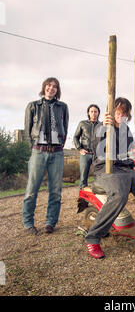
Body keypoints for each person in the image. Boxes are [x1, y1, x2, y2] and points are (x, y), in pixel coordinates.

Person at [85, 97, 135, 259]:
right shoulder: (101, 127)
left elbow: (129, 151)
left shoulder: (125, 129)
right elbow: (95, 147)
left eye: (125, 113)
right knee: (120, 194)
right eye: (119, 111)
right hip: (105, 170)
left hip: (124, 168)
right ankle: (93, 237)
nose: (121, 115)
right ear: (113, 110)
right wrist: (104, 127)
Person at [22, 77, 69, 235]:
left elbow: (65, 128)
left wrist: (60, 145)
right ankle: (28, 223)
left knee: (55, 191)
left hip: (57, 153)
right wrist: (34, 148)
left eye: (55, 86)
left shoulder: (63, 107)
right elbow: (27, 130)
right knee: (31, 189)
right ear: (44, 87)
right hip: (38, 151)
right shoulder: (33, 106)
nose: (51, 88)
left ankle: (50, 222)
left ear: (57, 90)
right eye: (49, 85)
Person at [73, 104, 101, 189]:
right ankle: (82, 200)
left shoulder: (102, 125)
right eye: (91, 111)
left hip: (97, 155)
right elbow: (75, 137)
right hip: (85, 154)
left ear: (98, 113)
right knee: (83, 178)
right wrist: (79, 149)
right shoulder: (82, 123)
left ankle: (98, 198)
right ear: (88, 113)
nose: (93, 113)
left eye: (95, 111)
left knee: (99, 177)